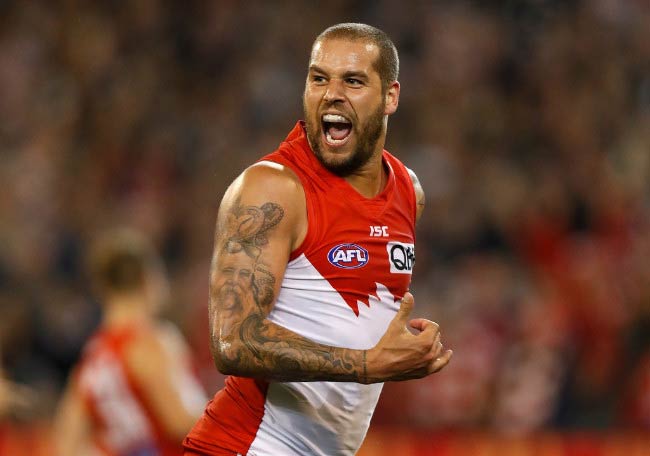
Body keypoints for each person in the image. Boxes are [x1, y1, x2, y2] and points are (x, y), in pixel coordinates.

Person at [183, 23, 452, 456]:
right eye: (318, 78)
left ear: (391, 97)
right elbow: (233, 341)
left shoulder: (408, 191)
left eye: (353, 80)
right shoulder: (272, 189)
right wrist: (366, 364)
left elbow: (351, 305)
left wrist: (409, 345)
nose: (331, 93)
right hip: (246, 446)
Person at [54, 229, 207, 456]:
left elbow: (64, 444)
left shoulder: (92, 358)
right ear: (149, 279)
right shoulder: (154, 342)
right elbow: (179, 421)